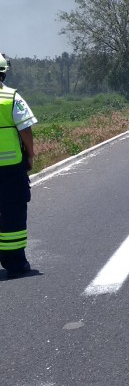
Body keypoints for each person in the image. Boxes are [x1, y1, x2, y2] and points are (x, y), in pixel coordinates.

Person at [0, 53, 37, 279]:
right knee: (13, 214)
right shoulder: (11, 97)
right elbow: (25, 129)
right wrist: (30, 155)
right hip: (10, 168)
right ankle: (14, 263)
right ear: (3, 72)